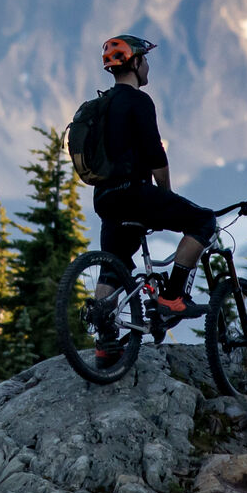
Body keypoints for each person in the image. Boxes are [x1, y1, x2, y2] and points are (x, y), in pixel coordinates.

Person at [93, 33, 217, 318]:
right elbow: (155, 155)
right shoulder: (139, 101)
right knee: (203, 221)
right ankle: (172, 298)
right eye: (145, 59)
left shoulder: (101, 104)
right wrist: (166, 192)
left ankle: (105, 345)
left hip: (104, 198)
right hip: (134, 194)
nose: (148, 66)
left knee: (114, 267)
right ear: (135, 63)